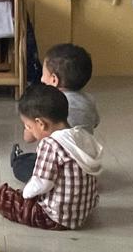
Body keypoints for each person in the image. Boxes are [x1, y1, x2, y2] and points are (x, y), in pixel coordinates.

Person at [0, 83, 103, 230]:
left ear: (40, 123)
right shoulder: (80, 135)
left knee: (9, 198)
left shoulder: (50, 144)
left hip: (56, 218)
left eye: (28, 126)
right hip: (83, 212)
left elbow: (41, 183)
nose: (28, 129)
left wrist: (25, 194)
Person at [11, 43, 98, 183]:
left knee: (22, 164)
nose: (41, 79)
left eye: (43, 74)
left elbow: (29, 138)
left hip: (58, 168)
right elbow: (95, 123)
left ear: (54, 80)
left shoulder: (46, 105)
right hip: (86, 165)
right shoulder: (89, 100)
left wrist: (28, 125)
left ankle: (18, 159)